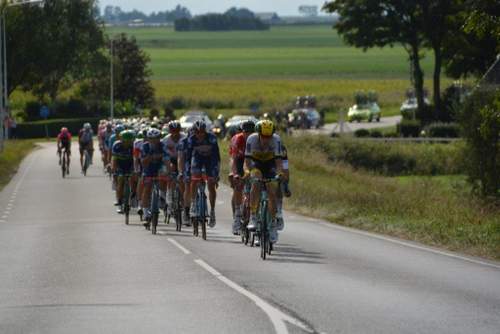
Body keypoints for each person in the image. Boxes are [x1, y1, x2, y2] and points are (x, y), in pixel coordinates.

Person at [244, 120, 283, 244]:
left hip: (270, 165)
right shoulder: (251, 140)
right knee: (256, 182)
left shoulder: (276, 140)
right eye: (264, 136)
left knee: (272, 190)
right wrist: (247, 172)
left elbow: (278, 162)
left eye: (269, 136)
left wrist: (279, 174)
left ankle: (272, 226)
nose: (266, 139)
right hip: (256, 164)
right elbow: (247, 161)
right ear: (258, 134)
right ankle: (254, 217)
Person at [186, 120, 220, 227]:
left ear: (205, 132)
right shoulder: (191, 139)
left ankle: (213, 211)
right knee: (194, 180)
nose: (200, 134)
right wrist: (187, 173)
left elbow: (216, 158)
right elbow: (188, 158)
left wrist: (215, 174)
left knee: (211, 185)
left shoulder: (212, 138)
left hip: (210, 160)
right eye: (197, 132)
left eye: (202, 132)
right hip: (197, 159)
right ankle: (193, 204)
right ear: (194, 132)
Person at [229, 120, 255, 235]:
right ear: (242, 132)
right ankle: (237, 217)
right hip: (239, 160)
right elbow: (234, 161)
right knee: (237, 185)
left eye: (251, 132)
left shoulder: (255, 140)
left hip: (251, 162)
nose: (248, 134)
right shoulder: (237, 139)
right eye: (246, 132)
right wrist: (235, 175)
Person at [140, 128, 169, 225]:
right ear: (148, 139)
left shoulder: (163, 145)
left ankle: (162, 196)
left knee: (163, 177)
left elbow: (166, 160)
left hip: (160, 167)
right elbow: (143, 162)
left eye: (156, 138)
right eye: (151, 138)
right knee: (147, 188)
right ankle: (145, 213)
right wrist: (151, 156)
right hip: (148, 168)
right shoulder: (145, 146)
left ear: (159, 138)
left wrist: (168, 171)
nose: (153, 140)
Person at [111, 130, 137, 214]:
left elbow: (137, 159)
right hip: (120, 164)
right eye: (124, 141)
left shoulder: (134, 146)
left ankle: (133, 195)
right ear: (121, 140)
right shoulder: (116, 145)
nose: (126, 143)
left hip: (130, 164)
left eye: (129, 141)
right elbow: (114, 159)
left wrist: (136, 171)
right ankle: (119, 202)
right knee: (120, 179)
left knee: (133, 178)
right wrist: (114, 170)